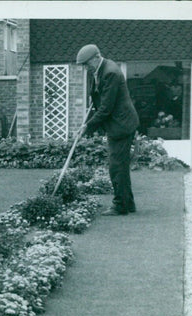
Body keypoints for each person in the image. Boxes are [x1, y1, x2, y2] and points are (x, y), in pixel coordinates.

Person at [77, 44, 140, 215]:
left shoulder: (110, 72)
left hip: (122, 125)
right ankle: (128, 204)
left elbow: (106, 108)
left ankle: (120, 205)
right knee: (121, 166)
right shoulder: (99, 70)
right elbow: (99, 96)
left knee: (116, 166)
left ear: (96, 57)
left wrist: (88, 126)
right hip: (118, 123)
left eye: (86, 63)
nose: (85, 67)